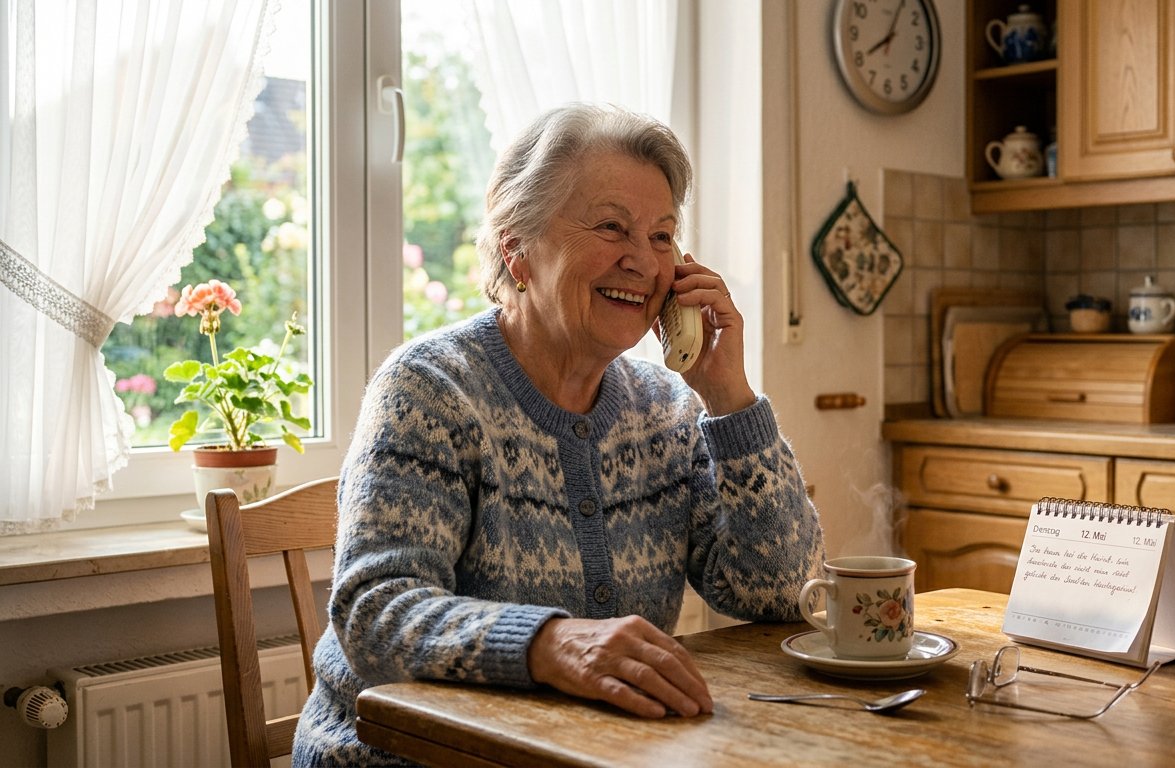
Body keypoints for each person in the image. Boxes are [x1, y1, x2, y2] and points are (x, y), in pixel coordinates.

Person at [292, 103, 826, 766]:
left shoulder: (667, 406)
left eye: (662, 237)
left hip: (588, 751)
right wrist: (551, 643)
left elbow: (784, 593)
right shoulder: (432, 389)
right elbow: (377, 612)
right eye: (612, 227)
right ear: (518, 250)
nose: (642, 261)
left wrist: (729, 397)